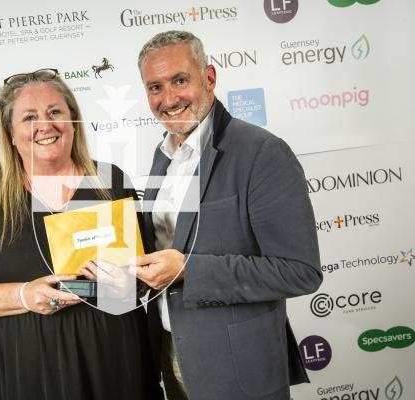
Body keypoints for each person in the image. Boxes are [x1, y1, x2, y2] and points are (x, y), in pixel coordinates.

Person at [0, 69, 163, 400]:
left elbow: (146, 274)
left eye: (55, 112)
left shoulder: (110, 181)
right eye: (29, 117)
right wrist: (23, 295)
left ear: (73, 120)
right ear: (10, 132)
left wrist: (128, 282)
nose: (45, 125)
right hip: (29, 373)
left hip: (113, 364)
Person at [133, 31, 323, 400]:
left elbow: (300, 271)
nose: (168, 99)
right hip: (172, 357)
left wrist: (188, 269)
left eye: (180, 80)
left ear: (210, 78)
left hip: (239, 369)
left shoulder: (262, 153)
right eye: (155, 87)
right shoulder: (163, 155)